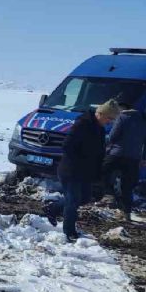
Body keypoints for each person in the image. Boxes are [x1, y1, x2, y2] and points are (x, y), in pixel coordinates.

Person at [56, 99, 120, 242]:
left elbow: (98, 152)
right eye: (109, 118)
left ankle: (53, 208)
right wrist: (79, 161)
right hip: (71, 170)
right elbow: (67, 146)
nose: (110, 121)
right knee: (73, 201)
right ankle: (69, 232)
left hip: (85, 172)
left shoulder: (99, 128)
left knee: (84, 198)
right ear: (100, 114)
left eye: (112, 119)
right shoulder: (82, 124)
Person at [103, 101, 146, 221]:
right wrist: (145, 158)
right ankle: (126, 214)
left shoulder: (122, 117)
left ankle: (109, 195)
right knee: (127, 187)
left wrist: (104, 142)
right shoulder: (142, 121)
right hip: (134, 158)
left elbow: (112, 137)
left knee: (103, 172)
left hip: (117, 155)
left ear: (123, 108)